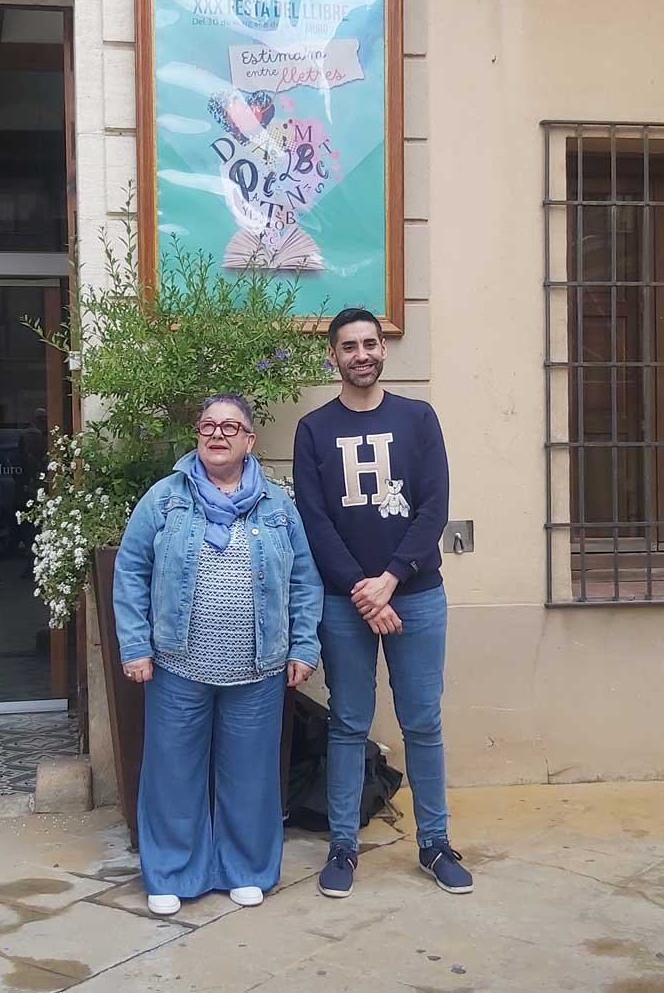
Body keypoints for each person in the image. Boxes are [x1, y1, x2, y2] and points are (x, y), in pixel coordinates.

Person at [113, 394, 323, 917]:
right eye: (208, 425)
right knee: (172, 772)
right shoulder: (164, 499)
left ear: (250, 440)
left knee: (250, 774)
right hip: (178, 663)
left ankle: (246, 868)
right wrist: (136, 645)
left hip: (259, 666)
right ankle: (172, 872)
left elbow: (304, 580)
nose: (218, 434)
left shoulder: (277, 506)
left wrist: (303, 645)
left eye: (231, 427)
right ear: (197, 437)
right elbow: (130, 571)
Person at [292, 307, 474, 898]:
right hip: (345, 603)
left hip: (415, 597)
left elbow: (433, 507)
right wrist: (363, 593)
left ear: (383, 350)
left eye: (370, 343)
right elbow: (315, 522)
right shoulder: (314, 430)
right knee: (347, 723)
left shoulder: (418, 419)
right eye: (349, 346)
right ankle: (343, 847)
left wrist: (389, 581)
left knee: (423, 722)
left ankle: (435, 844)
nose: (362, 354)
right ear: (333, 356)